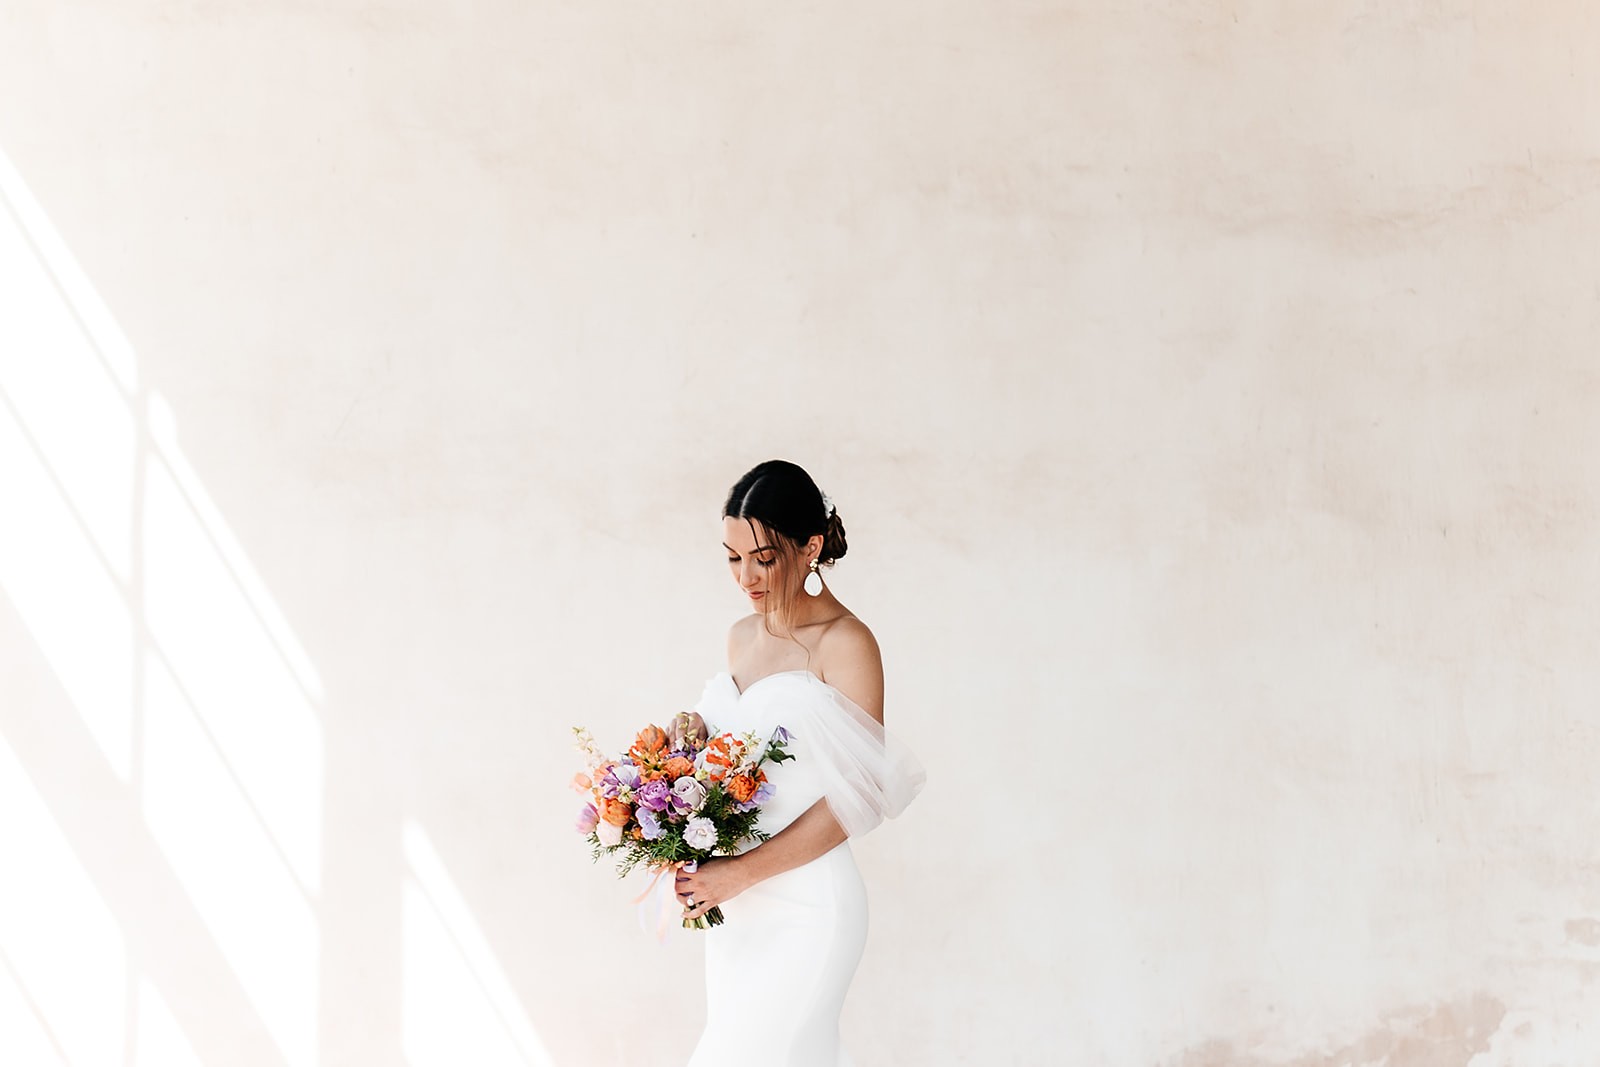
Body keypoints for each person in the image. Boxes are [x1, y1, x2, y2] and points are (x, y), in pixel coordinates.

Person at [673, 459, 926, 1067]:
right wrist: (685, 742)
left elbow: (856, 799)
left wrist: (740, 872)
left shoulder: (847, 643)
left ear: (812, 546)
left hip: (809, 908)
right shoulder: (740, 637)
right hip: (736, 911)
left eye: (764, 557)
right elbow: (739, 751)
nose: (746, 577)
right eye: (733, 557)